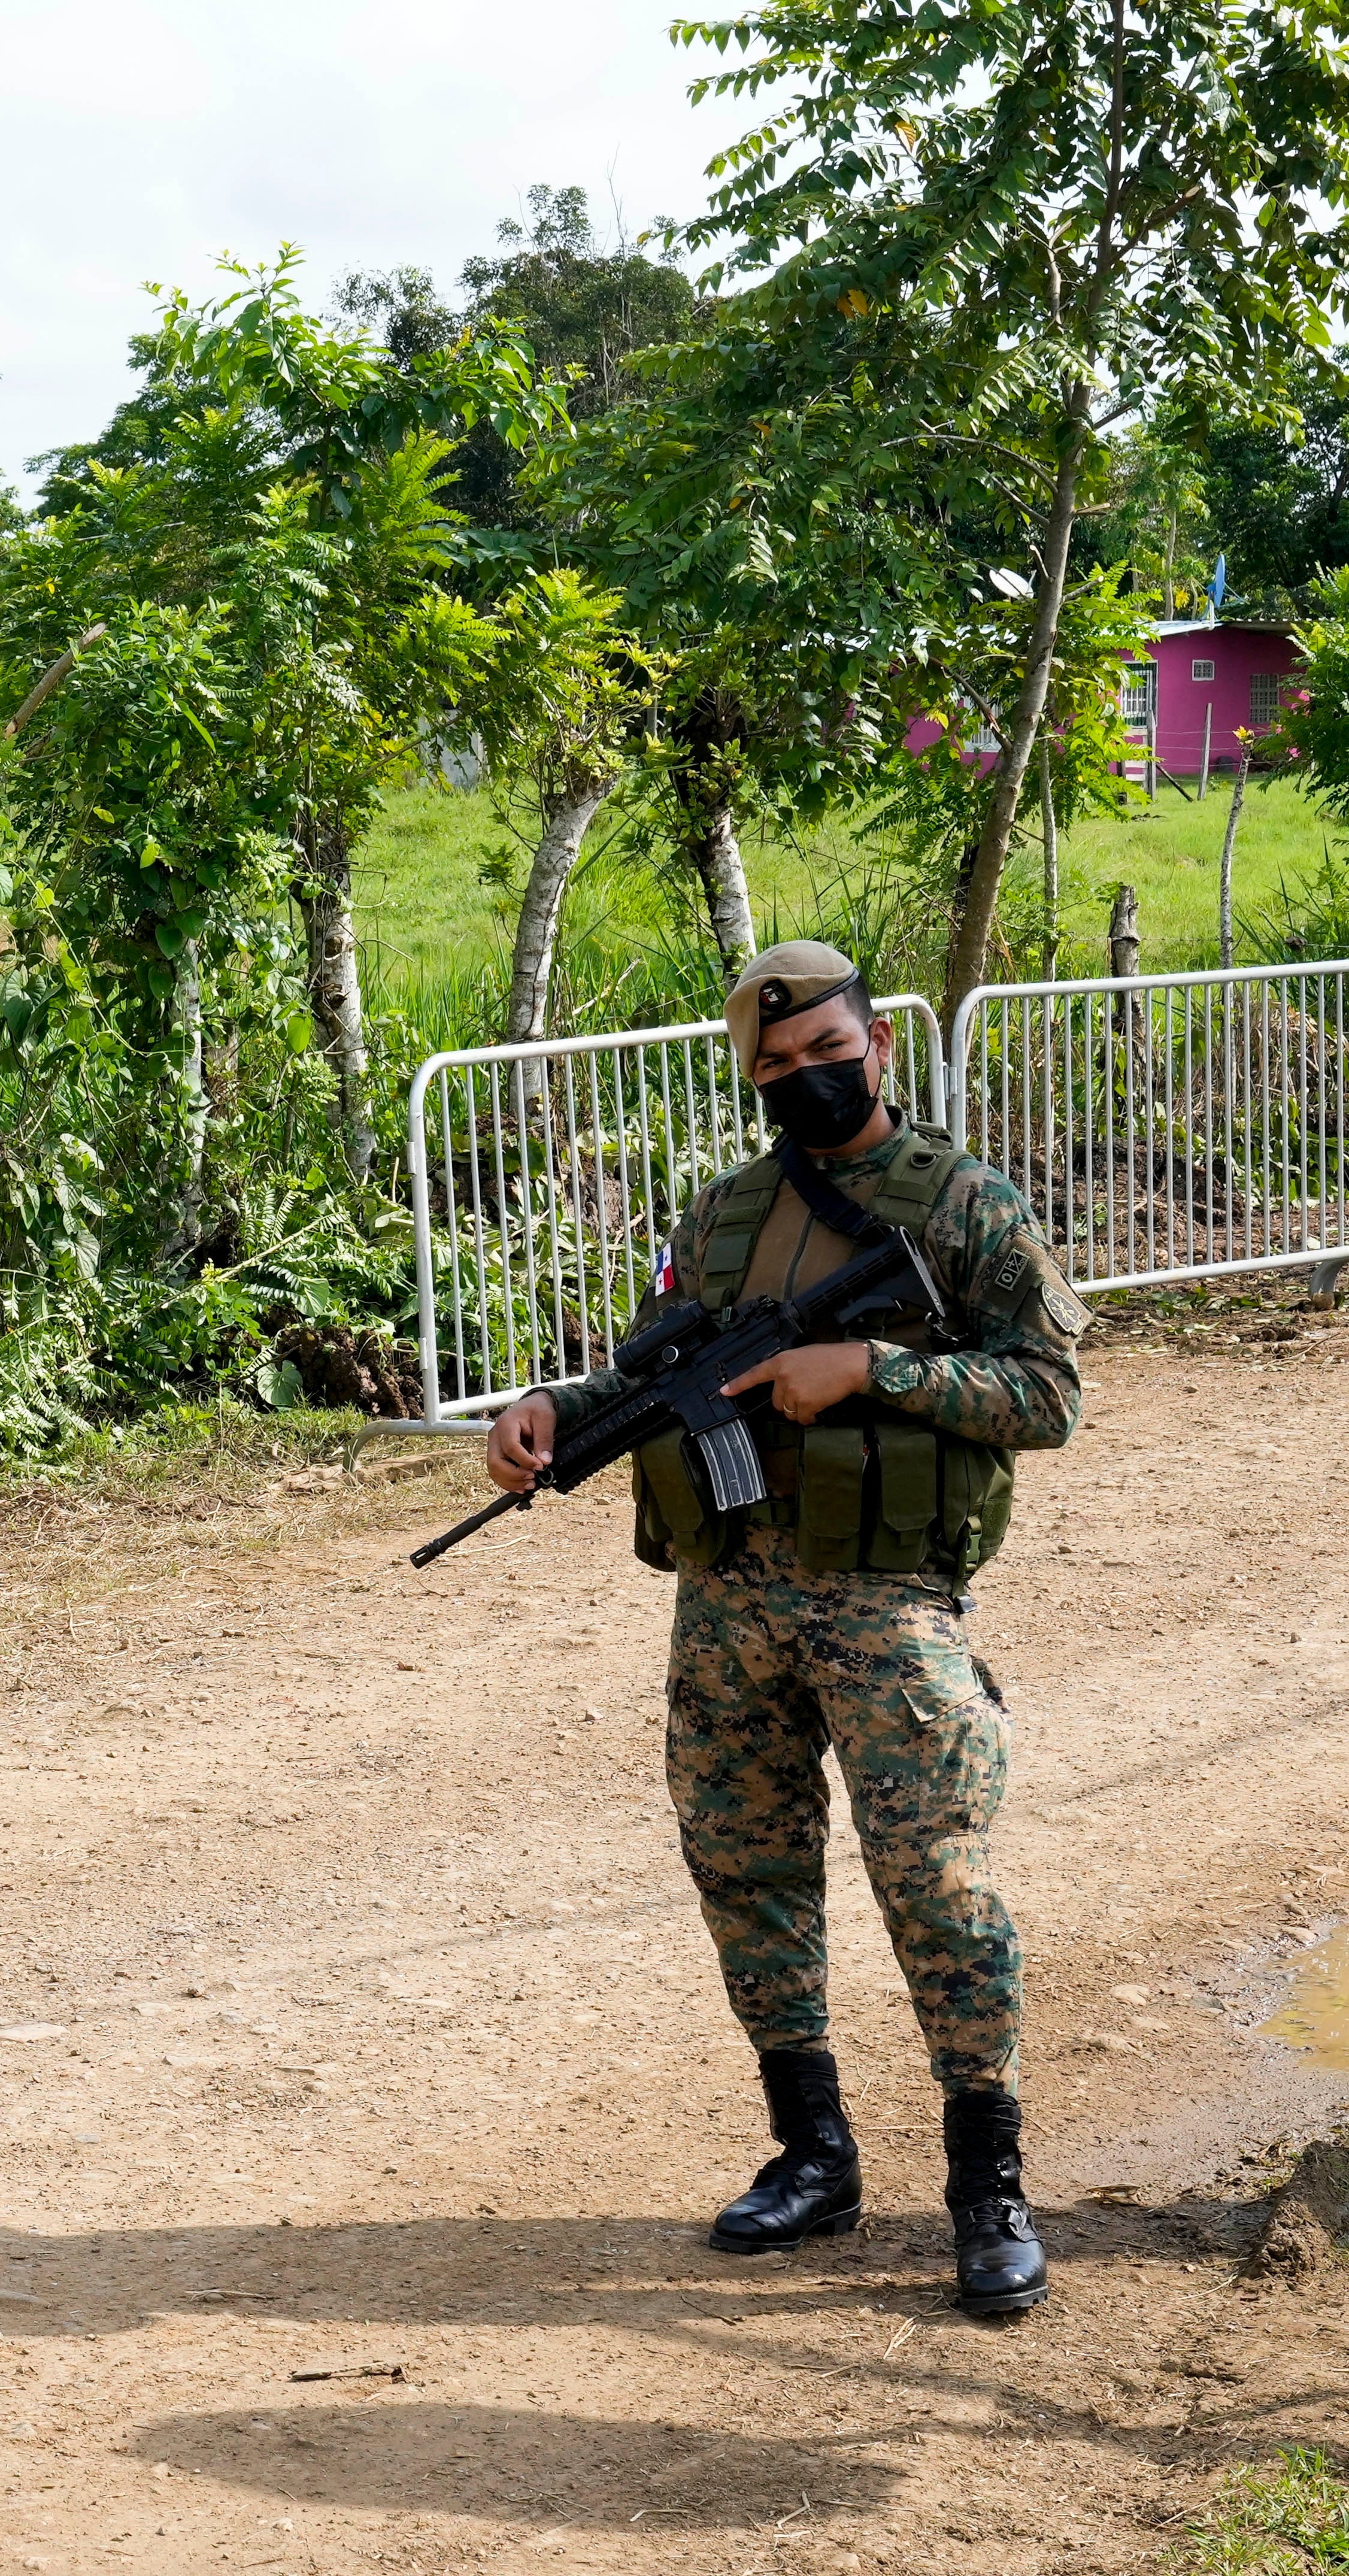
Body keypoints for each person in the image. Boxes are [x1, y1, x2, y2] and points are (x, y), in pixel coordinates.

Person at [483, 941, 1085, 2315]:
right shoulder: (724, 1216)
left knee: (935, 1882)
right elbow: (658, 1370)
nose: (806, 1080)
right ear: (749, 1075)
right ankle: (811, 2155)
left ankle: (986, 2186)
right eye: (776, 1065)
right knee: (746, 1872)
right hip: (728, 1605)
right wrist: (547, 1420)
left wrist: (871, 1366)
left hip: (885, 1605)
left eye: (828, 1053)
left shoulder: (963, 1205)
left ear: (876, 1046)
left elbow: (1048, 1394)